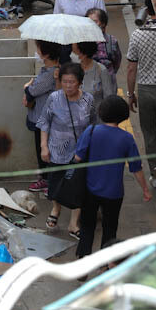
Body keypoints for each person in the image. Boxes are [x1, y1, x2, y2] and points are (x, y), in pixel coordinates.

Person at [74, 95, 152, 257]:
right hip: (114, 193)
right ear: (124, 116)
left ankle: (83, 260)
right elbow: (136, 168)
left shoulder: (92, 131)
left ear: (101, 112)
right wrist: (145, 189)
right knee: (110, 230)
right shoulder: (126, 138)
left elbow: (78, 157)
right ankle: (105, 266)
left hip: (90, 189)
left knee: (87, 226)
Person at [36, 62, 96, 238]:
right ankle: (56, 208)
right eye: (65, 81)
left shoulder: (88, 100)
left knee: (78, 186)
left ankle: (73, 222)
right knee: (56, 183)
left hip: (80, 151)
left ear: (80, 82)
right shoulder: (54, 98)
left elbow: (93, 124)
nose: (68, 86)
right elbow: (44, 122)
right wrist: (44, 146)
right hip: (57, 150)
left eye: (72, 82)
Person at [23, 39, 61, 193]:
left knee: (44, 150)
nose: (37, 52)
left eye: (38, 49)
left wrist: (27, 86)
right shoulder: (48, 70)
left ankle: (46, 181)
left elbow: (32, 91)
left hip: (42, 119)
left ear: (45, 54)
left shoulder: (50, 74)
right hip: (42, 117)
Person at [126, 19, 156, 187]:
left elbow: (131, 68)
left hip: (146, 90)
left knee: (150, 134)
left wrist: (130, 94)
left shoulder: (138, 34)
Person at [72, 40, 117, 114]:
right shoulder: (73, 69)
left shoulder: (101, 70)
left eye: (75, 52)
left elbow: (108, 98)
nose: (72, 54)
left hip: (96, 119)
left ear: (83, 53)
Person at [86, 7, 122, 77]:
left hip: (108, 82)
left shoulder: (111, 41)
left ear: (103, 23)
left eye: (95, 21)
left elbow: (117, 61)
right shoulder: (82, 42)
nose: (91, 24)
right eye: (88, 22)